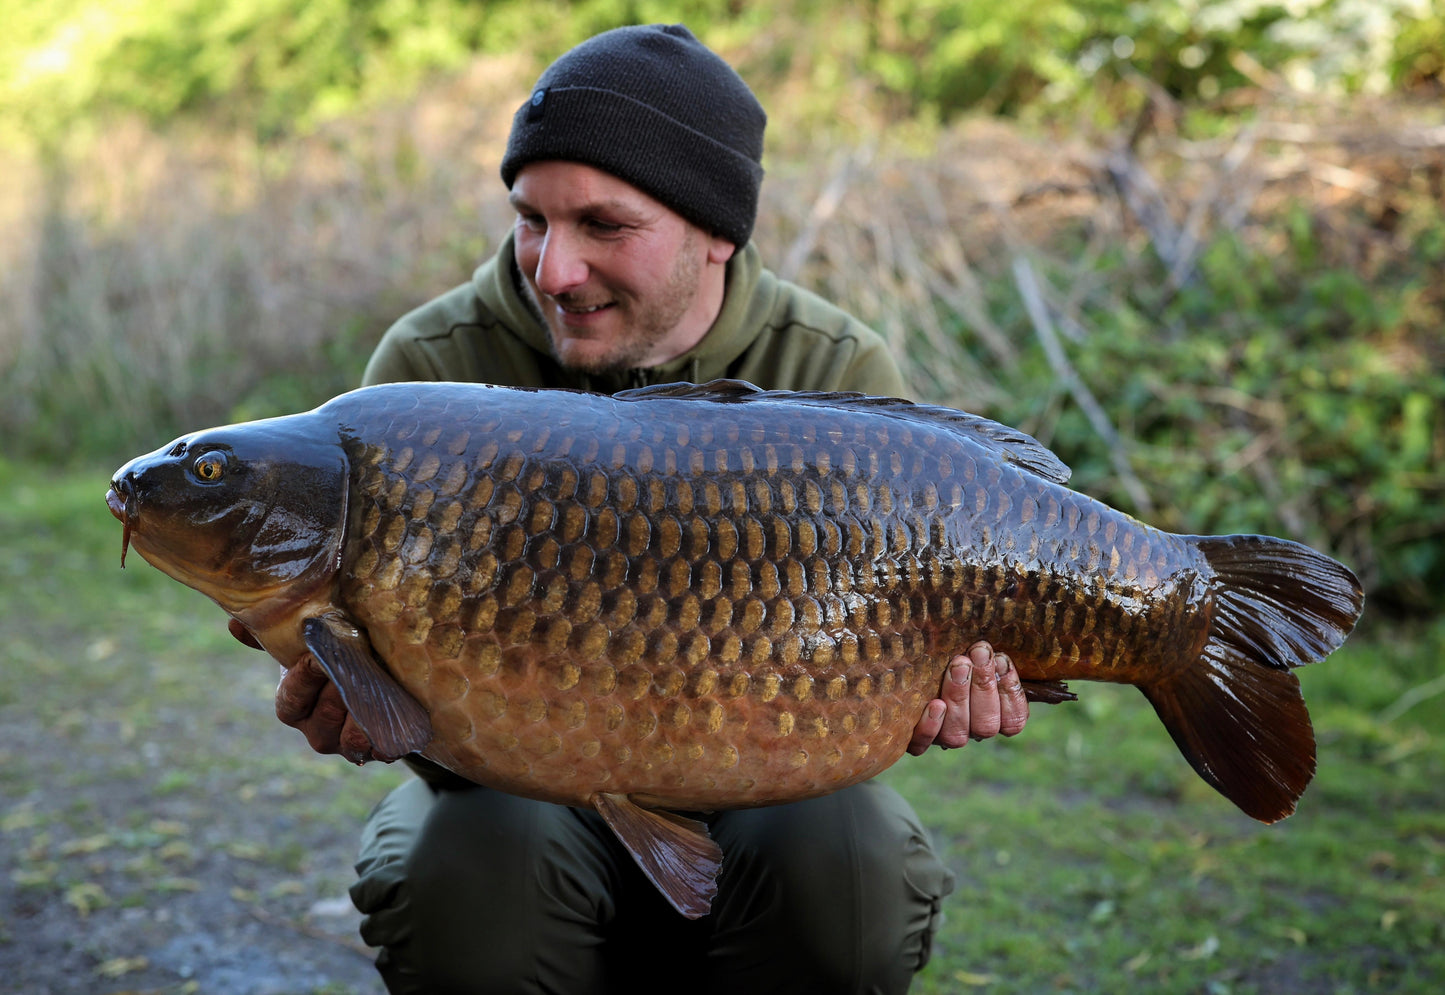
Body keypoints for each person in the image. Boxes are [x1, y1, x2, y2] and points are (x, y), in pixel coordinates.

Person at [274, 24, 1030, 994]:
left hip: (767, 790)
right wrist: (360, 703)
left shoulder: (831, 370)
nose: (551, 269)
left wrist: (936, 685)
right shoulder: (426, 373)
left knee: (846, 858)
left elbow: (885, 668)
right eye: (530, 219)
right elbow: (400, 696)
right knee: (465, 857)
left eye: (603, 225)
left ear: (716, 231)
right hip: (512, 794)